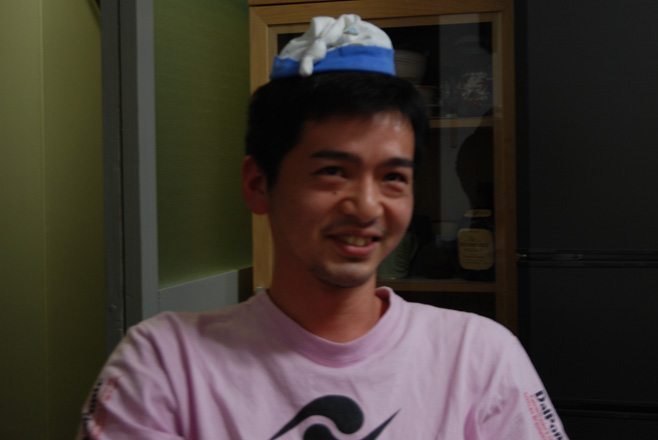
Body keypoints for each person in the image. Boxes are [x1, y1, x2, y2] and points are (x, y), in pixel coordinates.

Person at [77, 15, 568, 439]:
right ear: (258, 184)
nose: (367, 207)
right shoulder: (163, 362)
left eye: (393, 177)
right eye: (333, 171)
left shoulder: (479, 357)